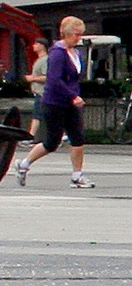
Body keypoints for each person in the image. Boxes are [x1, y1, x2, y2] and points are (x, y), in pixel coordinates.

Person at [13, 16, 94, 188]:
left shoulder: (76, 53)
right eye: (76, 34)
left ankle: (77, 175)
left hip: (71, 103)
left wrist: (75, 96)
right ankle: (24, 164)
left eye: (80, 34)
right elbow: (54, 80)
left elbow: (73, 78)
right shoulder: (57, 53)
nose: (78, 38)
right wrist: (72, 96)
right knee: (52, 141)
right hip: (54, 102)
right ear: (66, 34)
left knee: (77, 137)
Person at [22, 38, 50, 143]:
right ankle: (63, 135)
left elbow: (47, 77)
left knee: (37, 116)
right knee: (44, 116)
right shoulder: (39, 60)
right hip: (39, 93)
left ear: (42, 46)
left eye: (36, 44)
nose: (33, 45)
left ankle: (31, 137)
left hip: (43, 93)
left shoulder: (45, 60)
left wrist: (32, 78)